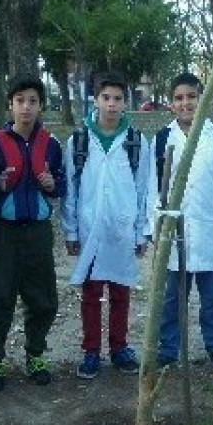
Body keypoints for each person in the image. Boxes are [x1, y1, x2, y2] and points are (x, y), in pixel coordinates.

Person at [0, 76, 65, 391]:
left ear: (40, 106)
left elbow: (63, 182)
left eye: (33, 100)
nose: (26, 107)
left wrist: (53, 185)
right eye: (20, 100)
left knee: (44, 299)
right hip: (3, 233)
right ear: (10, 105)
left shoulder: (50, 144)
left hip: (38, 231)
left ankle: (35, 354)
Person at [63, 74, 155, 379]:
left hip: (122, 229)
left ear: (125, 102)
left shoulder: (135, 141)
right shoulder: (78, 140)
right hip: (90, 229)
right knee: (91, 293)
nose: (112, 104)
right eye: (106, 98)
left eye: (118, 98)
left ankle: (119, 347)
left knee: (120, 291)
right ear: (96, 99)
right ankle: (91, 350)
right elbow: (71, 190)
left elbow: (144, 188)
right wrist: (71, 230)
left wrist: (141, 230)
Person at [153, 72, 213, 372]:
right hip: (174, 228)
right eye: (179, 98)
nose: (186, 103)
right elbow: (152, 187)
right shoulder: (163, 139)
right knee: (172, 297)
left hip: (209, 226)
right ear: (170, 103)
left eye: (191, 97)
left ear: (202, 98)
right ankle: (169, 349)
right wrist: (154, 223)